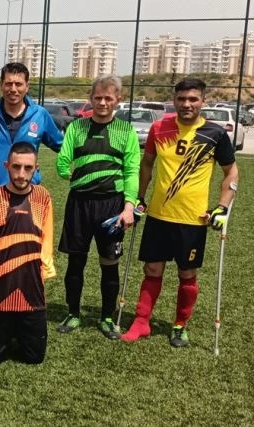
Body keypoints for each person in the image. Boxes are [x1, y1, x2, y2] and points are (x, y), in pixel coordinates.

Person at [121, 78, 238, 347]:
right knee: (152, 268)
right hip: (159, 215)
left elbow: (231, 172)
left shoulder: (215, 133)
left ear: (203, 101)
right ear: (174, 100)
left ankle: (180, 325)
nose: (187, 104)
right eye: (182, 99)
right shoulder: (159, 128)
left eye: (193, 99)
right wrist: (139, 198)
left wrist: (222, 207)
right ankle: (141, 321)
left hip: (193, 219)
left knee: (187, 273)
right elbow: (147, 164)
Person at [54, 75, 140, 339]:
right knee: (75, 261)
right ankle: (73, 313)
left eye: (108, 98)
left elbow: (132, 170)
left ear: (118, 100)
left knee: (109, 263)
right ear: (90, 99)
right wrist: (68, 172)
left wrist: (129, 207)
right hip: (79, 204)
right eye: (98, 98)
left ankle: (106, 317)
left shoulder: (126, 131)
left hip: (112, 206)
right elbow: (63, 160)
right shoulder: (77, 127)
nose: (102, 103)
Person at [0, 142, 56, 365]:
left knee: (34, 358)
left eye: (28, 168)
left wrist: (44, 272)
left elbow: (47, 239)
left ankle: (18, 332)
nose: (21, 174)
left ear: (36, 168)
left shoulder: (43, 197)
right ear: (6, 166)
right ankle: (5, 333)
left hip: (31, 289)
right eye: (16, 167)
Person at [0, 62, 62, 193]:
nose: (13, 89)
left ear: (27, 86)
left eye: (18, 84)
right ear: (1, 85)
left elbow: (62, 146)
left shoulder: (40, 115)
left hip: (27, 191)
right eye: (8, 84)